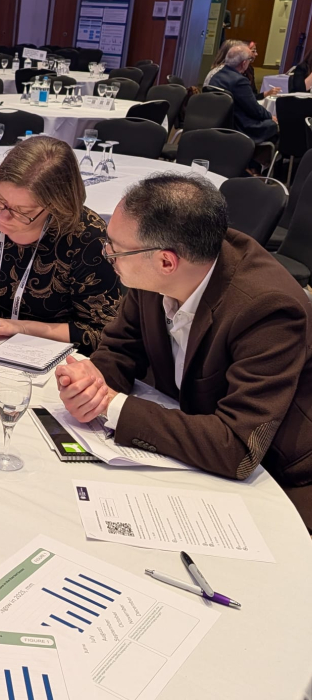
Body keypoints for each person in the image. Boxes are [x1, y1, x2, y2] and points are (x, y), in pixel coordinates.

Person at [56, 173, 312, 529]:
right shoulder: (158, 265)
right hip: (188, 439)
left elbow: (237, 448)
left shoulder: (268, 308)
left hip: (277, 478)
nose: (107, 254)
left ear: (166, 262)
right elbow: (120, 348)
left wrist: (111, 405)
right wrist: (91, 383)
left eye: (115, 248)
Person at [0, 136, 121, 355]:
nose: (3, 217)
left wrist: (21, 328)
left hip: (51, 354)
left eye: (22, 211)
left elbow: (101, 333)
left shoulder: (87, 238)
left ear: (57, 206)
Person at [208, 43, 278, 144]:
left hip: (219, 122)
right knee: (274, 124)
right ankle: (261, 153)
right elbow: (254, 110)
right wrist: (271, 117)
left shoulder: (216, 76)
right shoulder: (240, 81)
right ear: (244, 63)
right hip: (239, 126)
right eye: (250, 59)